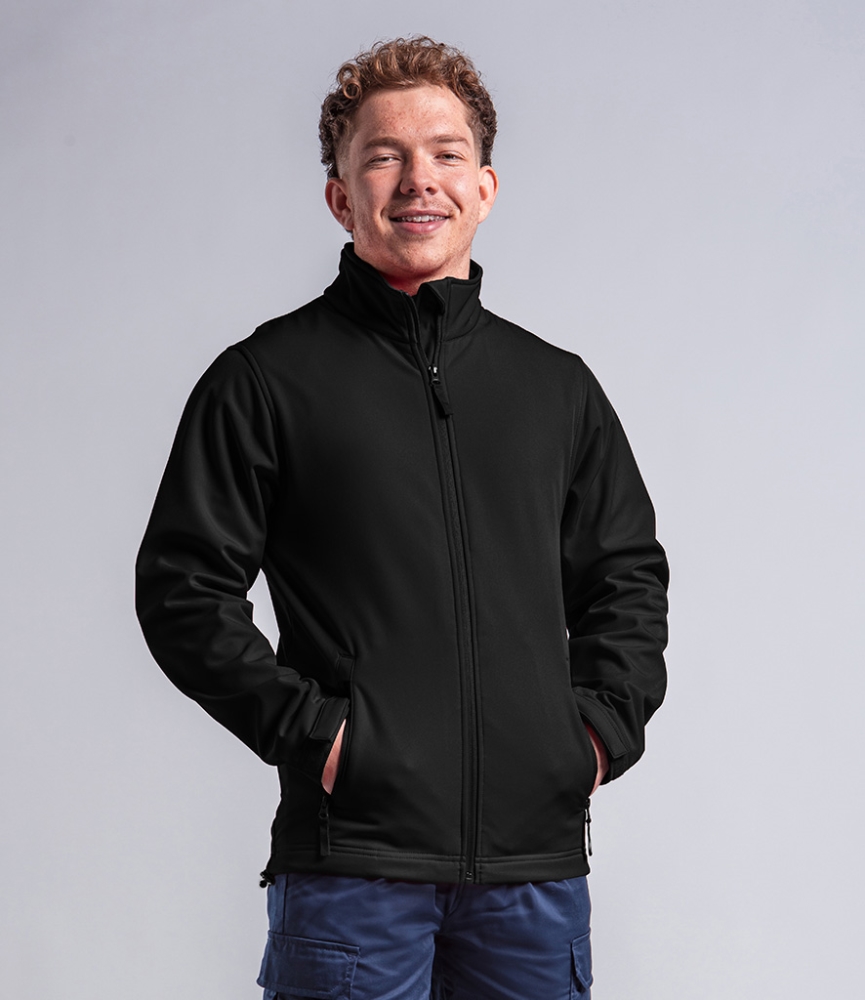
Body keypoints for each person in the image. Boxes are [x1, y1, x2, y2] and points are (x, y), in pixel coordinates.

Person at [136, 35, 668, 1000]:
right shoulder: (265, 381)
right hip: (354, 866)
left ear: (484, 187)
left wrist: (592, 737)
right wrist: (319, 738)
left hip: (531, 871)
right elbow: (183, 589)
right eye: (383, 156)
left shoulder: (557, 390)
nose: (418, 178)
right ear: (341, 197)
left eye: (445, 153)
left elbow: (625, 577)